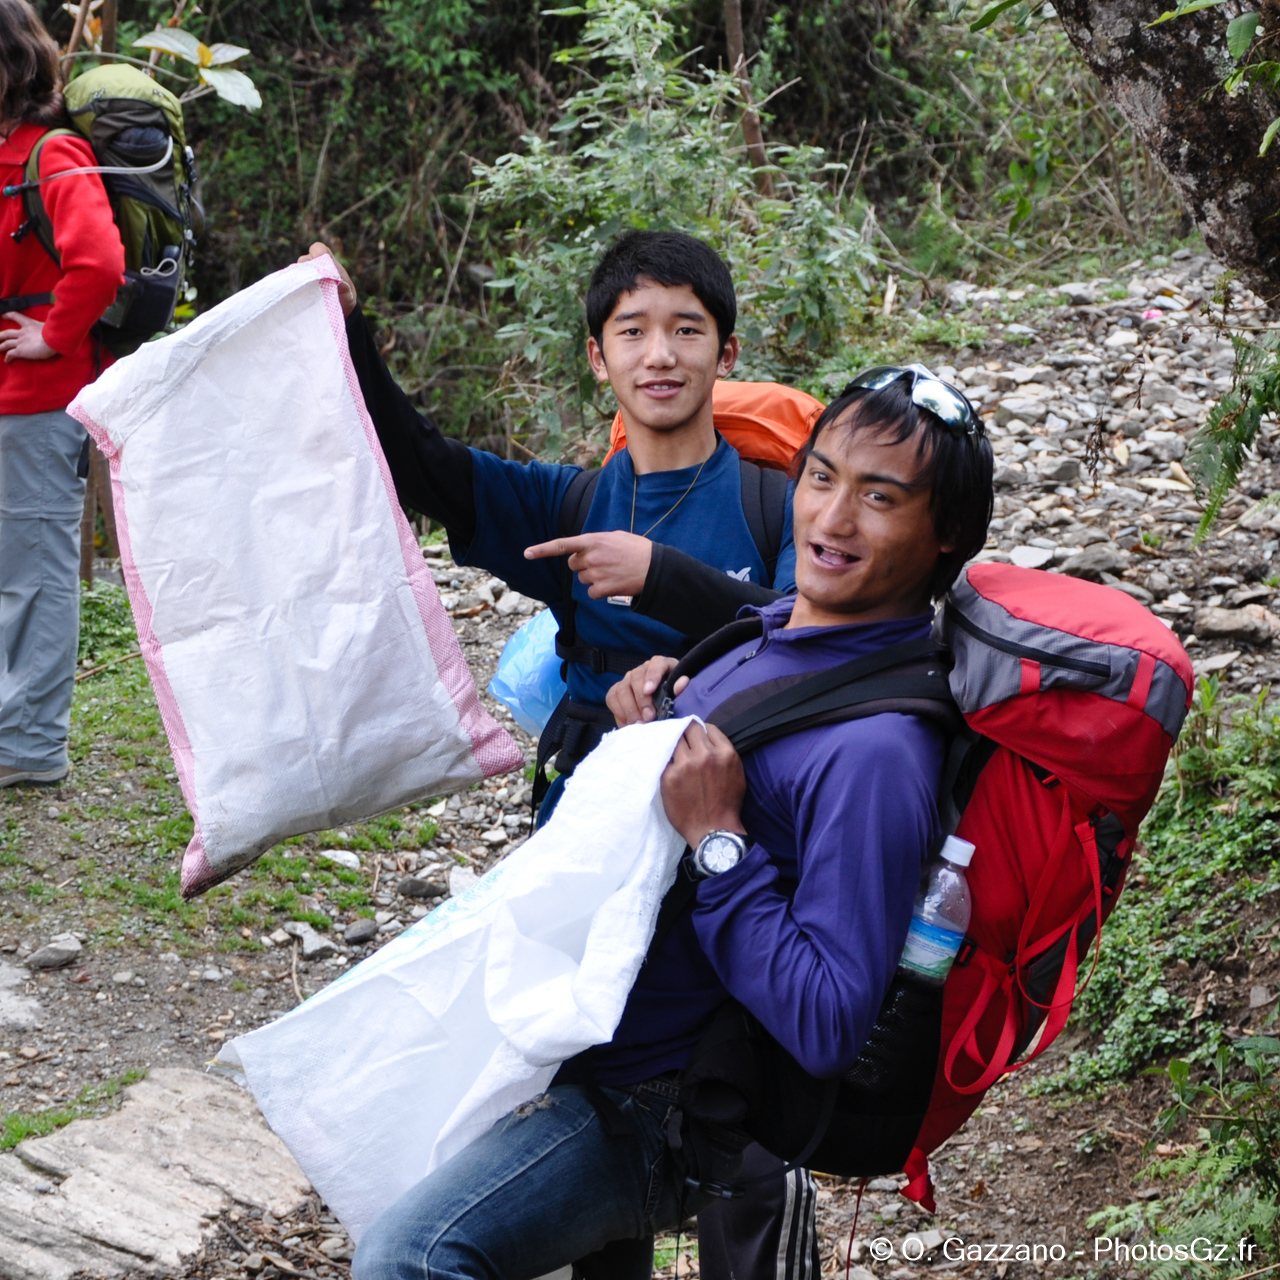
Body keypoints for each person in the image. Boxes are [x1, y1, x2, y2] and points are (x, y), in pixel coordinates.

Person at [349, 366, 995, 1280]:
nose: (831, 519)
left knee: (410, 1256)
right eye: (822, 477)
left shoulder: (878, 755)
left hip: (649, 1104)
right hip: (579, 1034)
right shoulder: (776, 632)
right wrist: (645, 737)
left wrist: (716, 839)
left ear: (947, 538)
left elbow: (827, 1022)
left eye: (880, 498)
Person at [0, 0, 125, 787]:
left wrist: (57, 332)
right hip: (10, 401)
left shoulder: (53, 153)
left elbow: (101, 263)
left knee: (39, 570)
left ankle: (34, 747)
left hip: (41, 400)